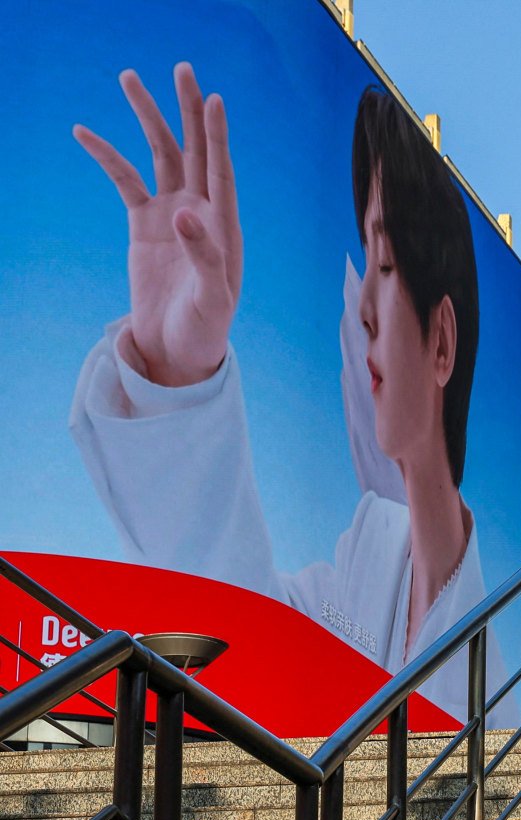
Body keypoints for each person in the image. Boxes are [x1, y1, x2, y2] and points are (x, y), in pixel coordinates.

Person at [68, 65, 498, 718]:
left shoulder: (498, 669)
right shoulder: (369, 558)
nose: (364, 312)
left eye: (384, 264)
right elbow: (242, 627)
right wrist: (178, 378)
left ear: (442, 343)